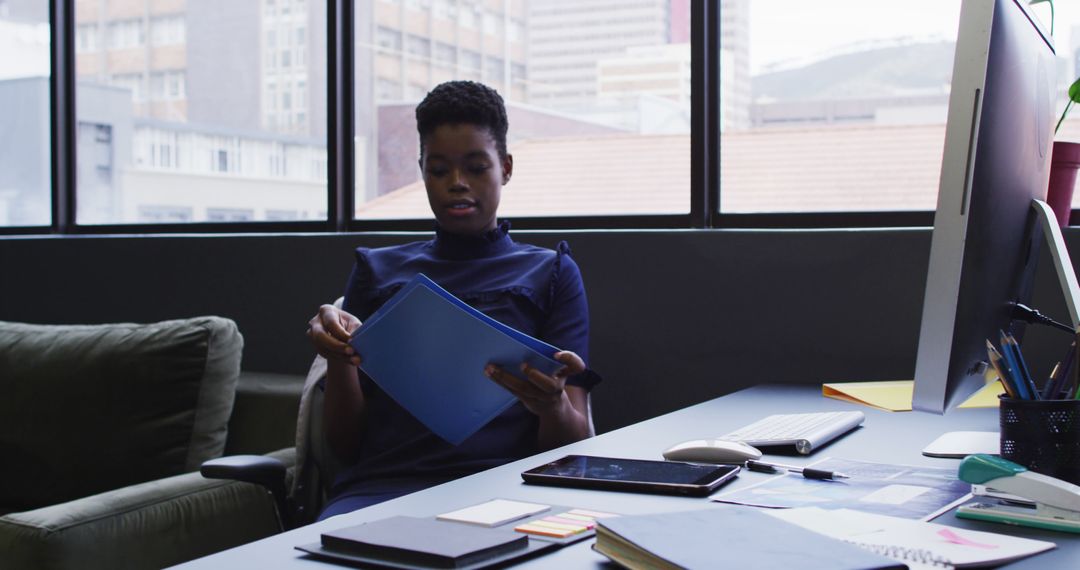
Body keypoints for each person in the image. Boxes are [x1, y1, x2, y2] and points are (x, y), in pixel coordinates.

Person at [306, 80, 601, 519]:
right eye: (439, 170)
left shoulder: (550, 273)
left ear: (506, 167)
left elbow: (576, 449)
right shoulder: (377, 271)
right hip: (386, 488)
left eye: (476, 168)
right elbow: (345, 447)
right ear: (421, 169)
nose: (457, 184)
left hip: (511, 490)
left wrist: (553, 405)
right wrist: (337, 357)